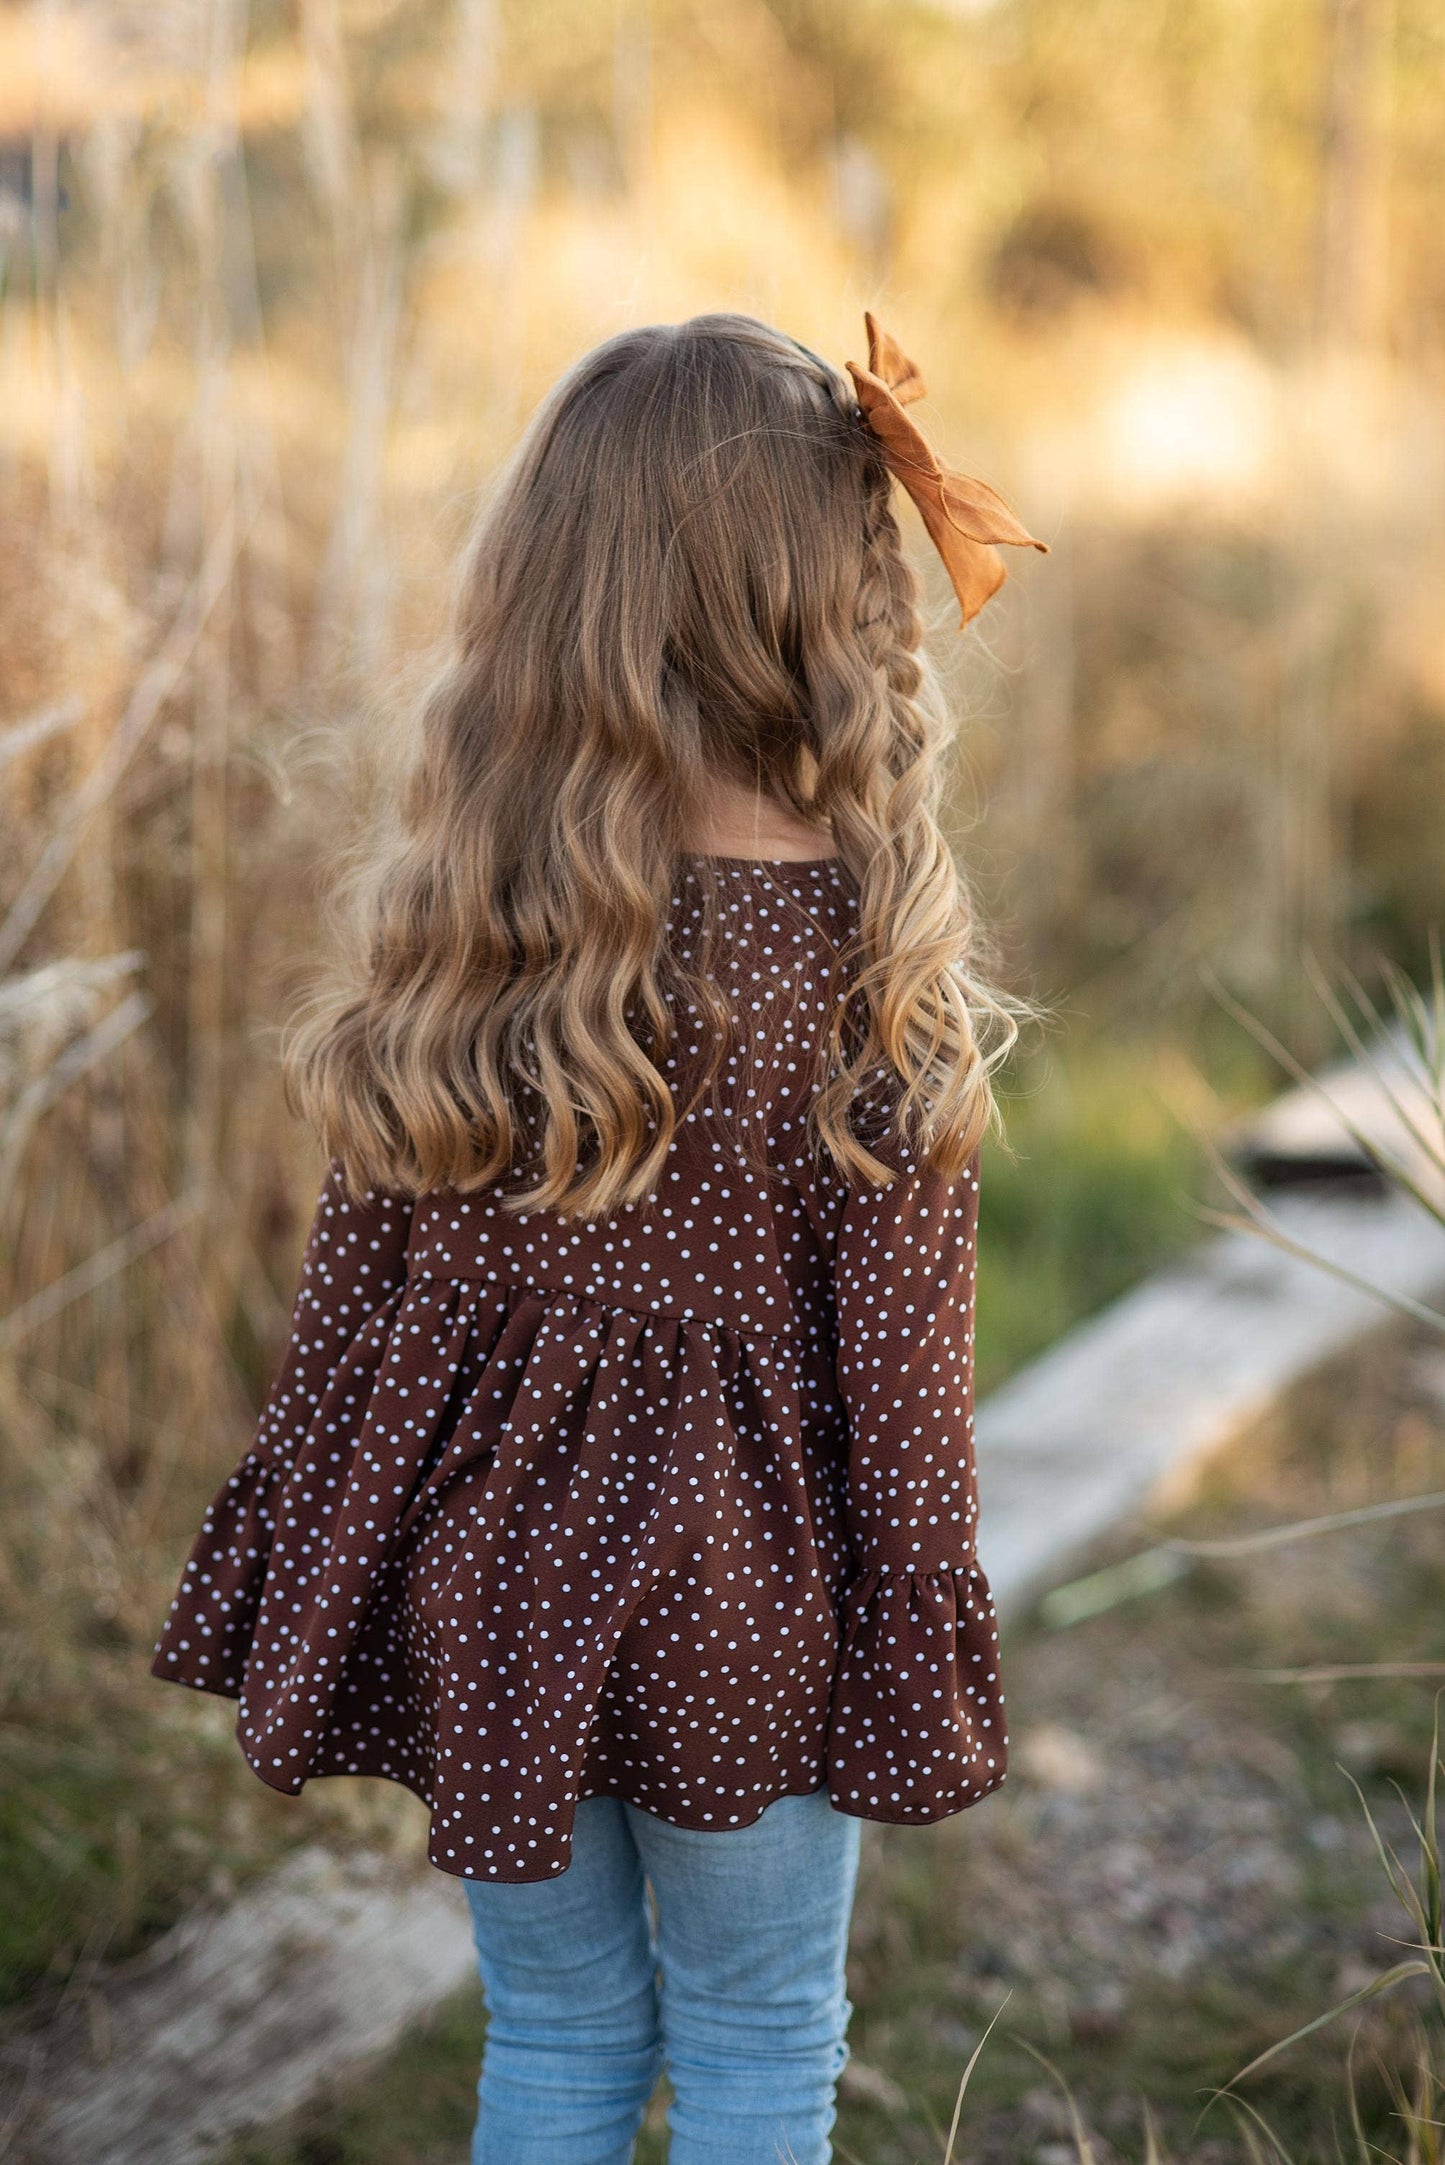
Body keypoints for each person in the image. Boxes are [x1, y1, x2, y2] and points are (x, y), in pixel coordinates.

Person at [150, 311, 1044, 2165]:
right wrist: (914, 1642)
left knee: (555, 2031)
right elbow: (898, 1391)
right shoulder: (865, 969)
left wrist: (310, 1553)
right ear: (830, 591)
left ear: (545, 592)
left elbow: (353, 1316)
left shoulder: (468, 937)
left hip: (488, 1583)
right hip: (747, 1604)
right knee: (756, 2033)